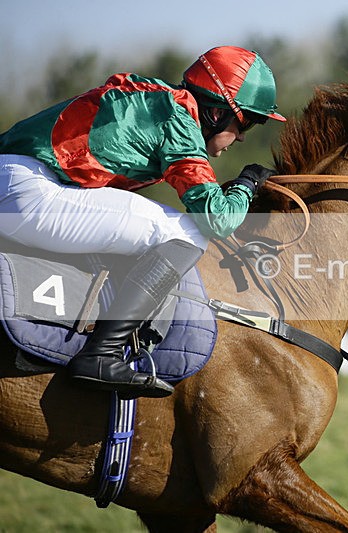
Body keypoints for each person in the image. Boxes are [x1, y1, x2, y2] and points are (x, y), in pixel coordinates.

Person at [0, 45, 286, 398]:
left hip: (16, 178)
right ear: (215, 113)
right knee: (187, 232)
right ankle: (101, 354)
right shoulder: (180, 120)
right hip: (28, 192)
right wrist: (246, 184)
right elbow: (218, 220)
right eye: (248, 122)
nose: (243, 136)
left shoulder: (161, 100)